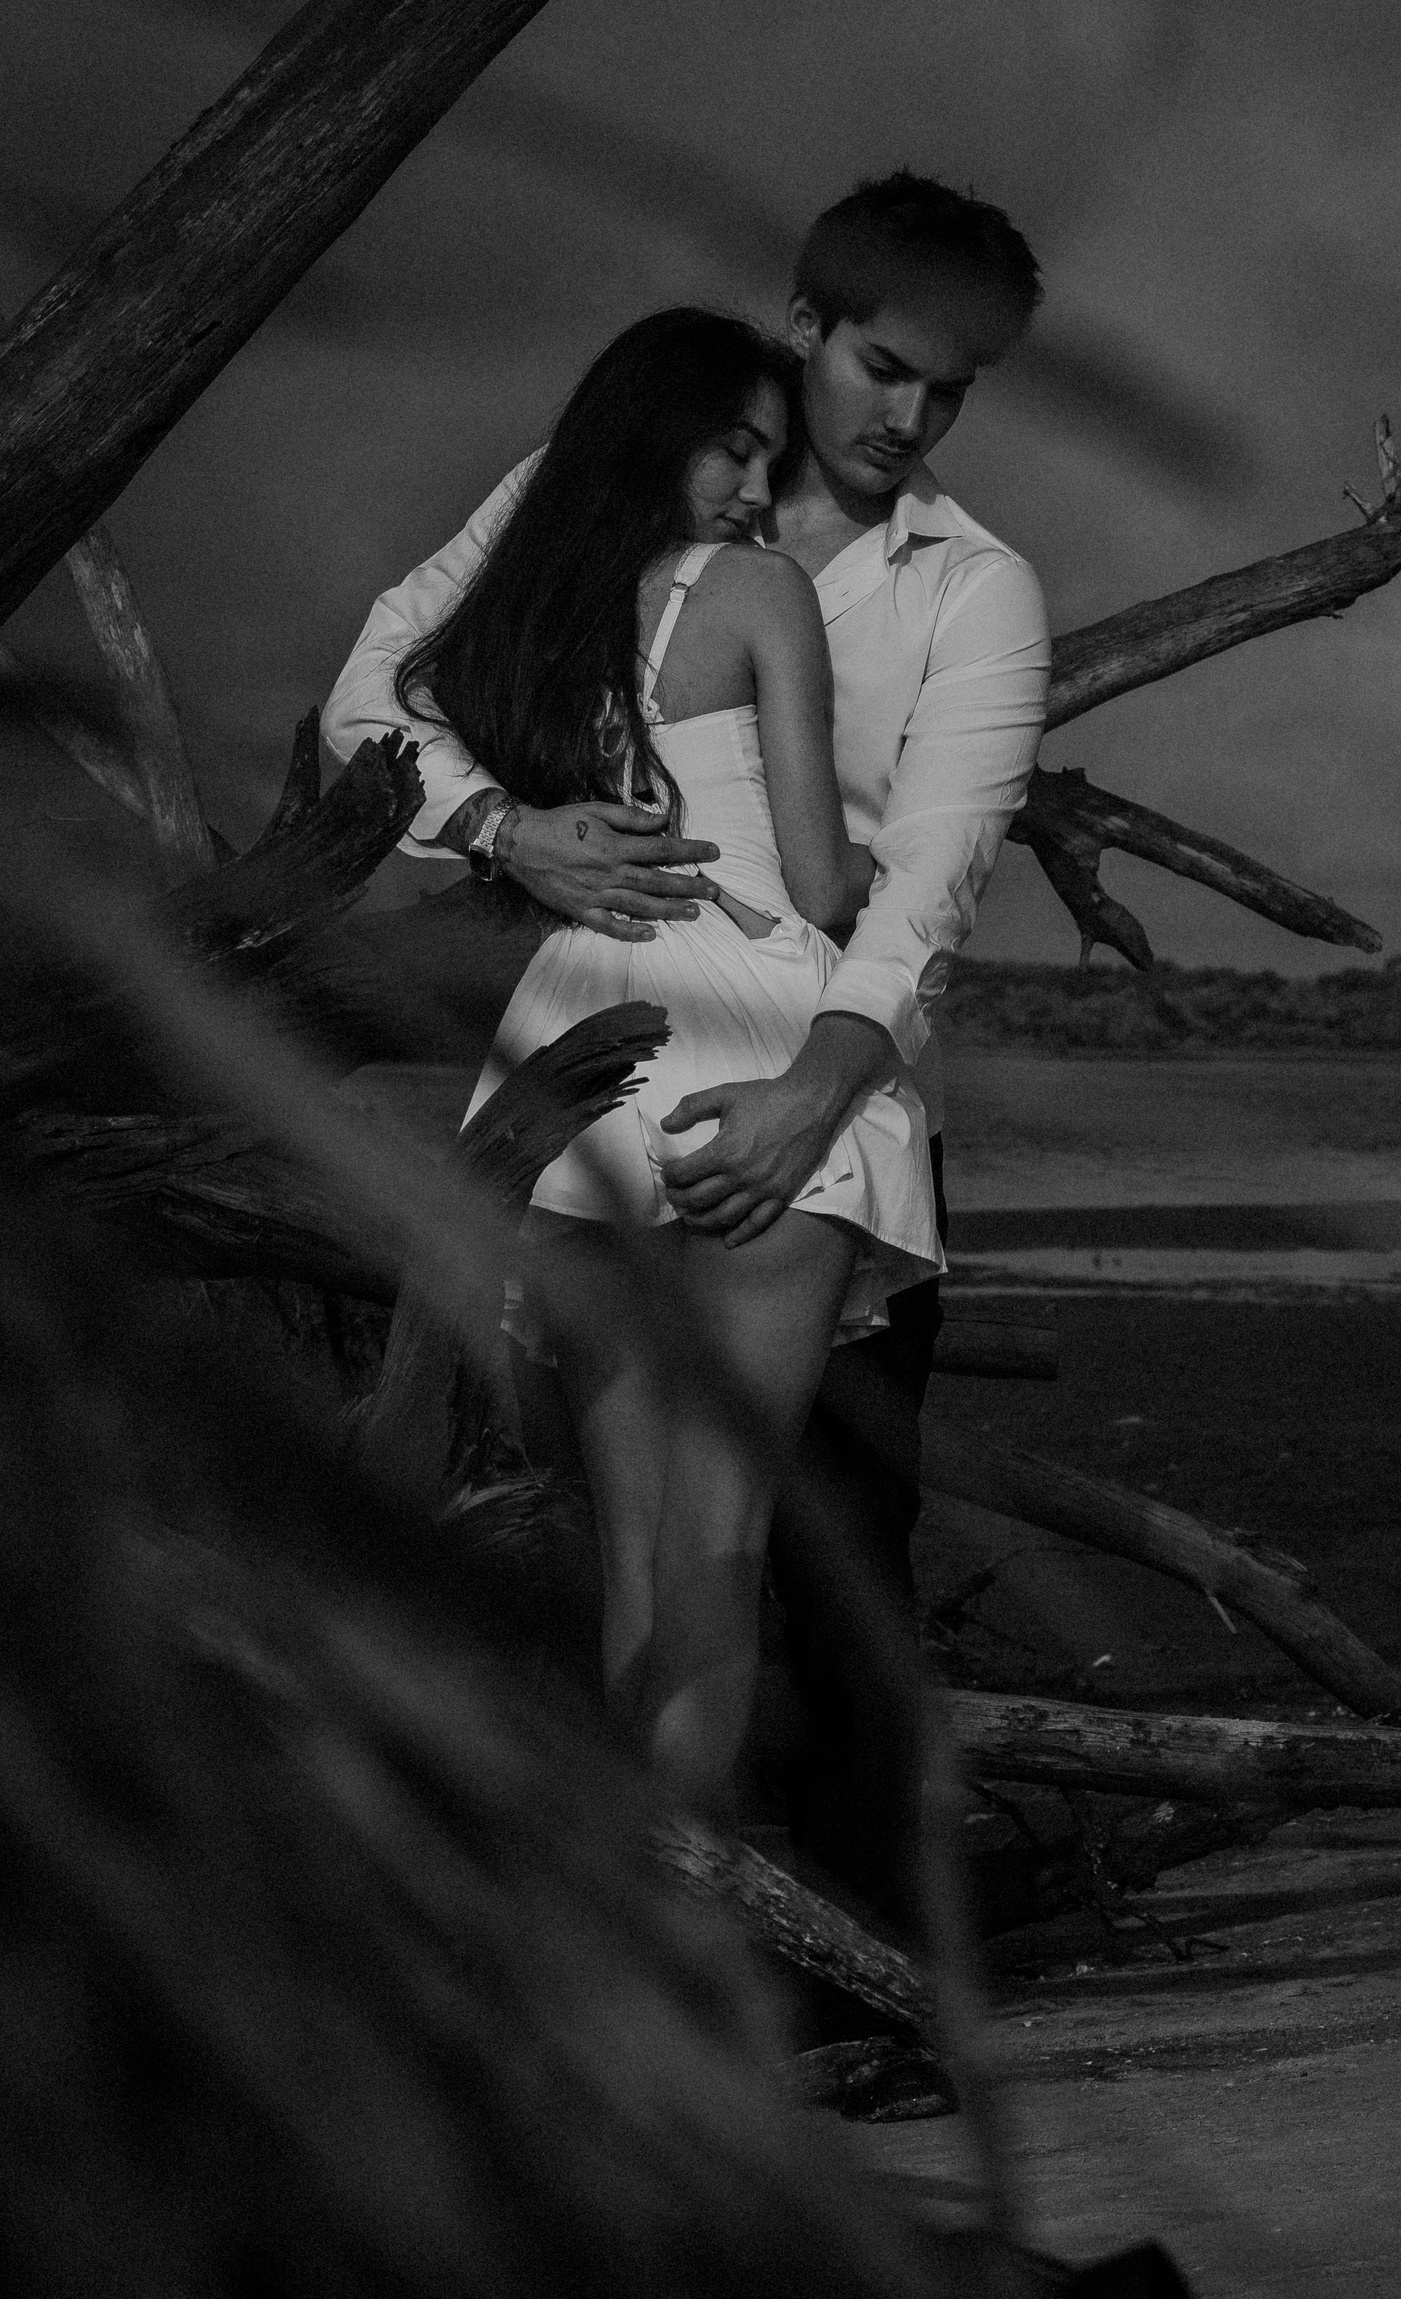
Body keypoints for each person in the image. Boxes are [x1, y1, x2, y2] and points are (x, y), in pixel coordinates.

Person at [322, 173, 1049, 1916]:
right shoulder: (607, 498)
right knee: (697, 1551)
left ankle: (828, 1949)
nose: (910, 417)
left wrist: (816, 1094)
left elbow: (938, 878)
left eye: (951, 391)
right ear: (805, 327)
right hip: (707, 1035)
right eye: (883, 367)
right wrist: (510, 829)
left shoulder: (975, 587)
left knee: (833, 1556)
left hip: (784, 1068)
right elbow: (371, 695)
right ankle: (684, 1945)